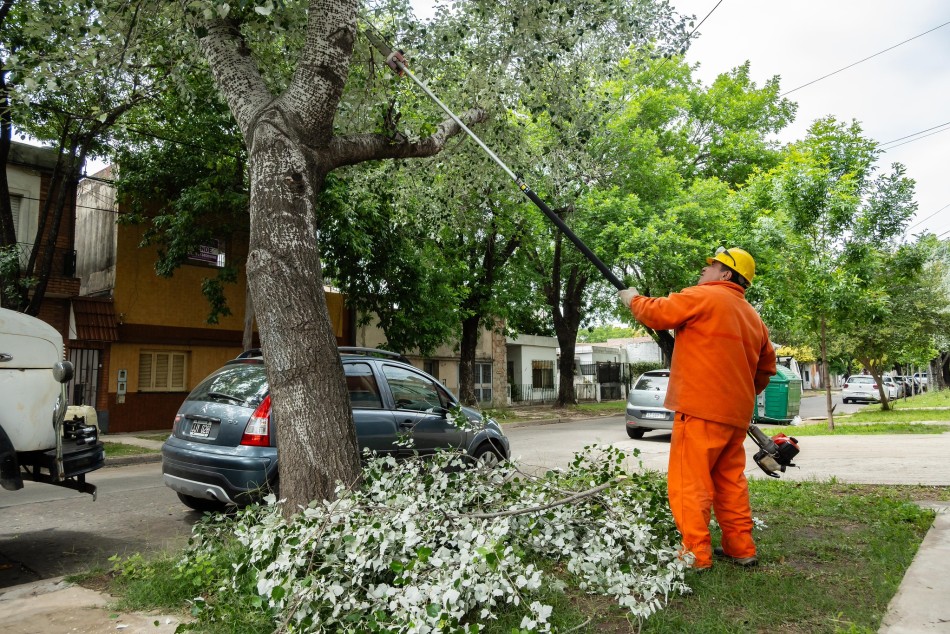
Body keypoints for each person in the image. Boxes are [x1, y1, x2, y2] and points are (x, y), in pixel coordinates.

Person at [618, 246, 776, 571]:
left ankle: (696, 556)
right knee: (729, 482)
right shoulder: (753, 318)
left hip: (700, 411)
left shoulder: (704, 296)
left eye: (712, 266)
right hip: (734, 418)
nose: (704, 271)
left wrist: (633, 299)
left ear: (726, 274)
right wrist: (737, 396)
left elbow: (657, 313)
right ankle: (741, 547)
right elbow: (765, 371)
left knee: (690, 484)